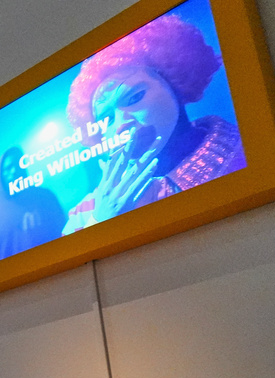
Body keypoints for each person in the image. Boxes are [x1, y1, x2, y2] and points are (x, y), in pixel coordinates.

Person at [62, 13, 247, 233]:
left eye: (134, 97)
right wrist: (100, 222)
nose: (121, 123)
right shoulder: (84, 213)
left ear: (174, 84)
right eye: (106, 119)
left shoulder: (250, 147)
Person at [0, 146, 68, 267]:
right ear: (0, 175)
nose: (14, 171)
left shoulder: (45, 197)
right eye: (8, 168)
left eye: (18, 165)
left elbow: (66, 233)